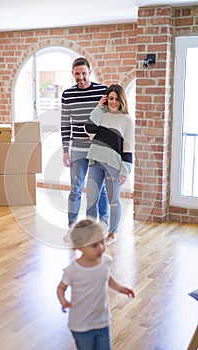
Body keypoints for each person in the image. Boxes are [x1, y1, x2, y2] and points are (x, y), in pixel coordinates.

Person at [57, 218, 135, 350]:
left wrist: (121, 288)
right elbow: (61, 288)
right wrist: (63, 301)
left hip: (102, 321)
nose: (101, 247)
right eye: (94, 245)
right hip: (81, 325)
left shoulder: (106, 262)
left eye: (102, 242)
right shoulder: (73, 270)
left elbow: (107, 279)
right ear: (80, 246)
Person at [61, 57, 109, 239]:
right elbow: (65, 123)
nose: (80, 77)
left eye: (83, 73)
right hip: (78, 149)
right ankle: (72, 228)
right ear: (72, 74)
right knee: (75, 188)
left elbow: (108, 120)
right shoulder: (67, 94)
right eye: (76, 74)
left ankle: (102, 228)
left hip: (99, 149)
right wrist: (66, 150)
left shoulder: (102, 91)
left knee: (101, 189)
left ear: (89, 72)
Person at [85, 84, 134, 246]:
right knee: (91, 199)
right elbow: (89, 128)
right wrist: (99, 107)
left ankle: (112, 234)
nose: (113, 102)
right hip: (95, 162)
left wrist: (125, 170)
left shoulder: (126, 120)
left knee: (114, 200)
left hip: (113, 165)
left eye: (116, 99)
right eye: (110, 98)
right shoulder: (101, 114)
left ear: (121, 100)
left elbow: (128, 145)